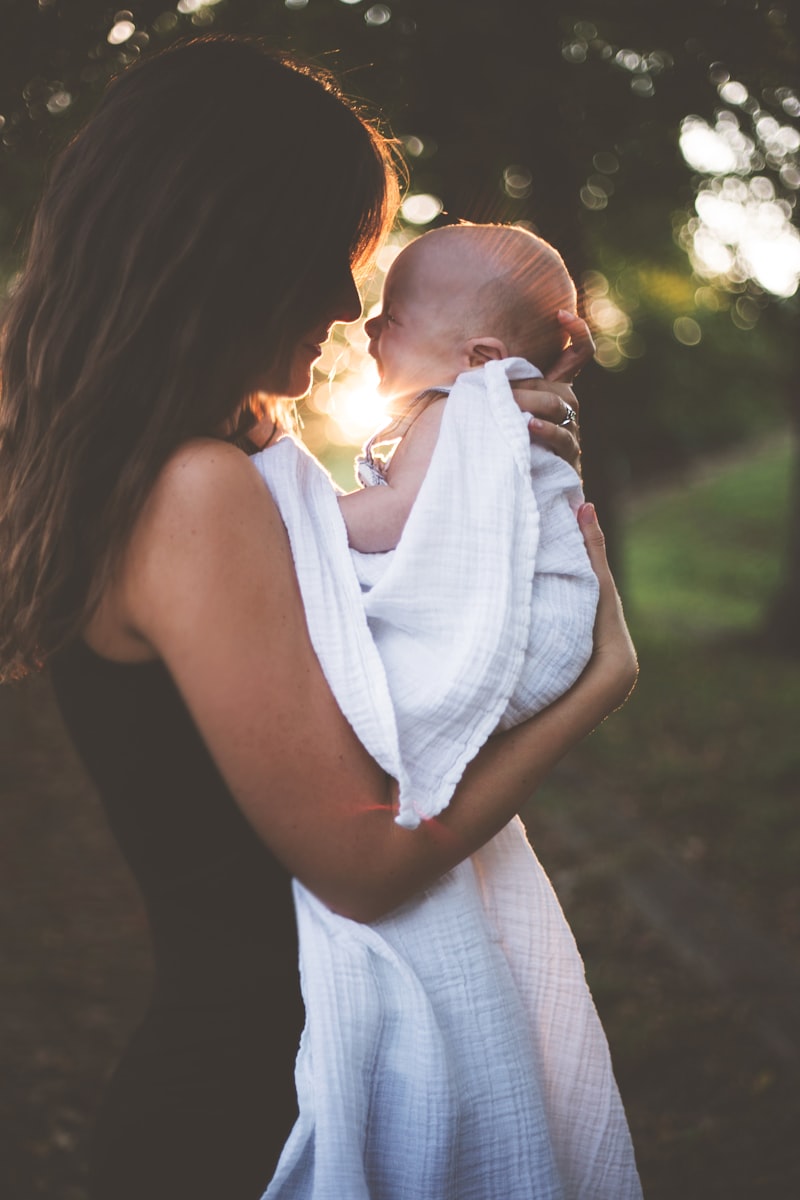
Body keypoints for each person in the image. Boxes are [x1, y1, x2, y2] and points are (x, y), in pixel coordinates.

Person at [0, 34, 637, 1200]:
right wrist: (595, 687)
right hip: (258, 1120)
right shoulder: (196, 494)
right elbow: (365, 865)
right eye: (331, 252)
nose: (350, 302)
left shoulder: (151, 472)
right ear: (226, 248)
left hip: (242, 1077)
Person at [251, 225, 640, 1196]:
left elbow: (381, 525)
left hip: (530, 636)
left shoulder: (459, 409)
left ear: (473, 359)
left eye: (397, 308)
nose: (368, 320)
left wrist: (282, 505)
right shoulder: (480, 404)